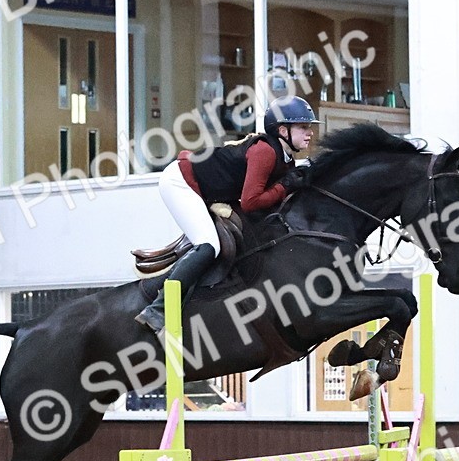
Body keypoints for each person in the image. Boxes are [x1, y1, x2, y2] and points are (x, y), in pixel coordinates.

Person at [135, 96, 320, 334]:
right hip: (180, 182)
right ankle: (158, 308)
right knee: (210, 245)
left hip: (204, 188)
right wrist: (284, 186)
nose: (310, 133)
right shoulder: (264, 151)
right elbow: (251, 202)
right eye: (304, 127)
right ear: (283, 130)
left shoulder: (286, 159)